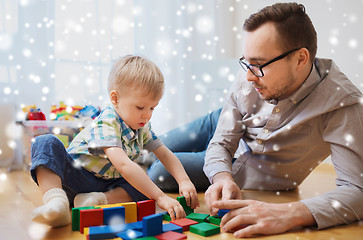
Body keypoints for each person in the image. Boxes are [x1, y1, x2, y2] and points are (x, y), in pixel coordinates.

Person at [148, 2, 363, 238]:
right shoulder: (251, 74)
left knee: (158, 170)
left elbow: (356, 190)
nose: (248, 75)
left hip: (250, 166)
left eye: (259, 65)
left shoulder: (343, 104)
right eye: (247, 62)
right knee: (146, 146)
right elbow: (221, 142)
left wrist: (291, 212)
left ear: (301, 58)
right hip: (222, 122)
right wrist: (221, 176)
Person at [30, 55, 199, 227]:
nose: (147, 115)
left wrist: (184, 180)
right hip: (75, 175)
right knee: (45, 142)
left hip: (106, 184)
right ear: (115, 98)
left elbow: (164, 152)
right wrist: (161, 197)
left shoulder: (142, 126)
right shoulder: (107, 122)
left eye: (152, 108)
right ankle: (56, 202)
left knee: (143, 184)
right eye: (140, 107)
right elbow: (124, 165)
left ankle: (94, 201)